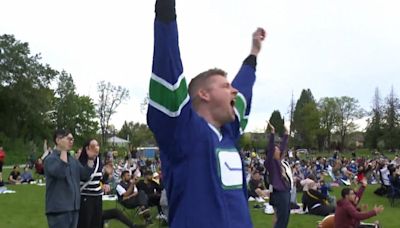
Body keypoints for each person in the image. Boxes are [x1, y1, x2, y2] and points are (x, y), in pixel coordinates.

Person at [146, 0, 265, 227]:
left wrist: (253, 54)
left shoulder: (229, 134)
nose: (234, 90)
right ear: (204, 94)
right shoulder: (182, 131)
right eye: (225, 86)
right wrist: (166, 11)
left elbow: (244, 91)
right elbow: (168, 62)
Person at [44, 129, 92, 228]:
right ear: (58, 140)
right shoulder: (50, 159)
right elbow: (61, 172)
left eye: (72, 139)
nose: (71, 141)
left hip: (74, 208)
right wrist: (63, 151)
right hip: (58, 211)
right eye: (68, 139)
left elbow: (84, 176)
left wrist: (90, 159)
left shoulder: (73, 160)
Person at [264, 122, 291, 228]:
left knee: (285, 217)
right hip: (279, 193)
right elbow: (271, 148)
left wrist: (286, 134)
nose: (279, 149)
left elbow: (283, 146)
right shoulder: (270, 163)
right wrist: (272, 133)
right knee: (281, 218)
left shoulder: (279, 161)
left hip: (285, 191)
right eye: (276, 149)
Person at [77, 138, 103, 228]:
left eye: (97, 145)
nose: (96, 148)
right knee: (85, 223)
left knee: (97, 223)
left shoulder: (100, 161)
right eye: (93, 146)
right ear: (87, 148)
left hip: (98, 196)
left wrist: (106, 176)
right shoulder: (81, 161)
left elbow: (99, 179)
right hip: (86, 197)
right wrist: (90, 159)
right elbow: (84, 177)